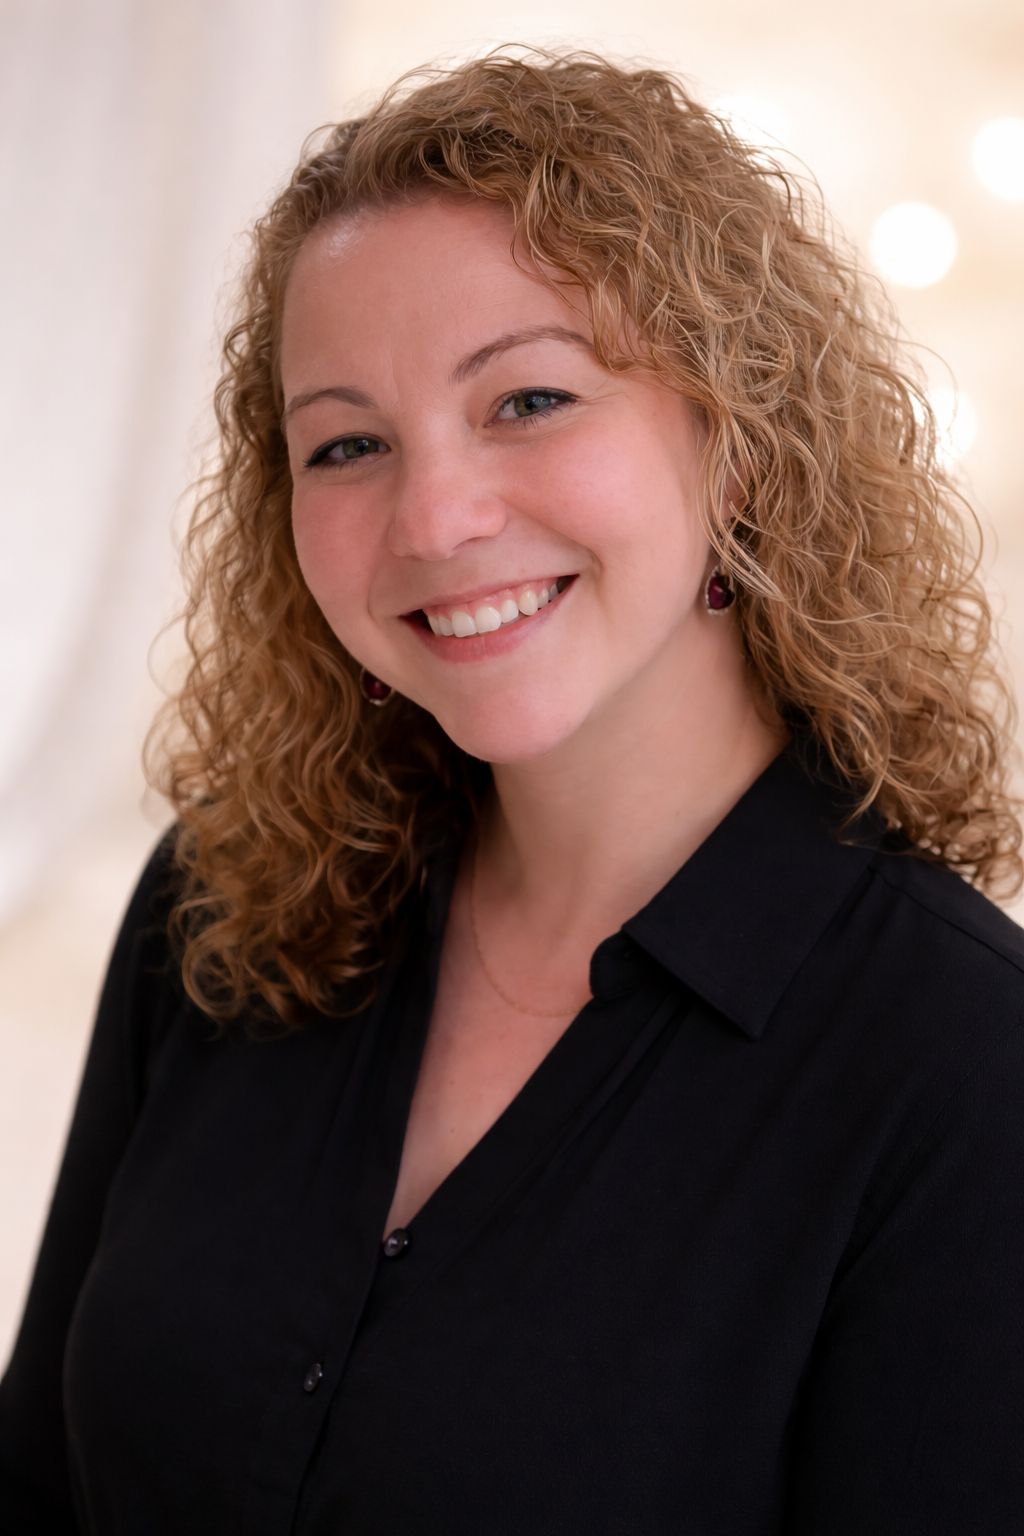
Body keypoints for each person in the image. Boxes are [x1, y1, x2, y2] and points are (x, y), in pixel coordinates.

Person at [2, 49, 1023, 1534]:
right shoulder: (219, 907)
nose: (434, 517)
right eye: (346, 443)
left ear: (735, 437)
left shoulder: (963, 1072)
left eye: (529, 398)